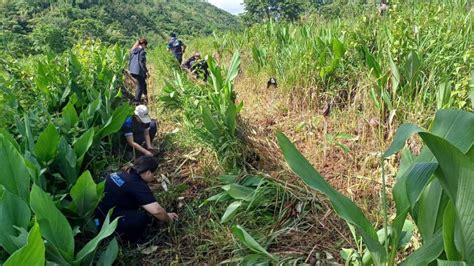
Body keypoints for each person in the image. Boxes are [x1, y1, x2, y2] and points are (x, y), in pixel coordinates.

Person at [95, 156, 178, 243]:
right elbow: (157, 211)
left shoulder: (121, 174)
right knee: (140, 217)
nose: (154, 177)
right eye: (154, 174)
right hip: (105, 225)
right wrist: (168, 218)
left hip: (96, 215)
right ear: (148, 172)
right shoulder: (137, 185)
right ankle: (128, 242)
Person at [128, 37, 149, 104]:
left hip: (132, 70)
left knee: (142, 83)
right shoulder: (142, 51)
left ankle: (145, 96)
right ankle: (136, 101)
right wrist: (146, 71)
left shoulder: (134, 50)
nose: (145, 47)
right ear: (143, 44)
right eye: (145, 46)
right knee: (140, 86)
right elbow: (141, 62)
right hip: (138, 71)